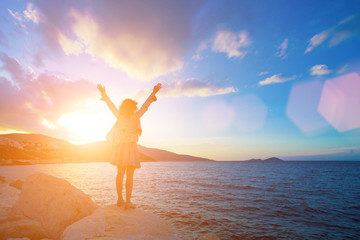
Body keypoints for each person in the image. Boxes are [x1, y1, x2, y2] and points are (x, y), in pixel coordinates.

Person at [97, 83, 162, 209]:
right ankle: (128, 202)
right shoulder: (136, 116)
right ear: (133, 107)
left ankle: (120, 200)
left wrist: (103, 94)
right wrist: (154, 93)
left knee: (120, 174)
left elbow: (111, 106)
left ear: (123, 107)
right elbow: (145, 106)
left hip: (120, 148)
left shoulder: (120, 116)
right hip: (131, 148)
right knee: (130, 176)